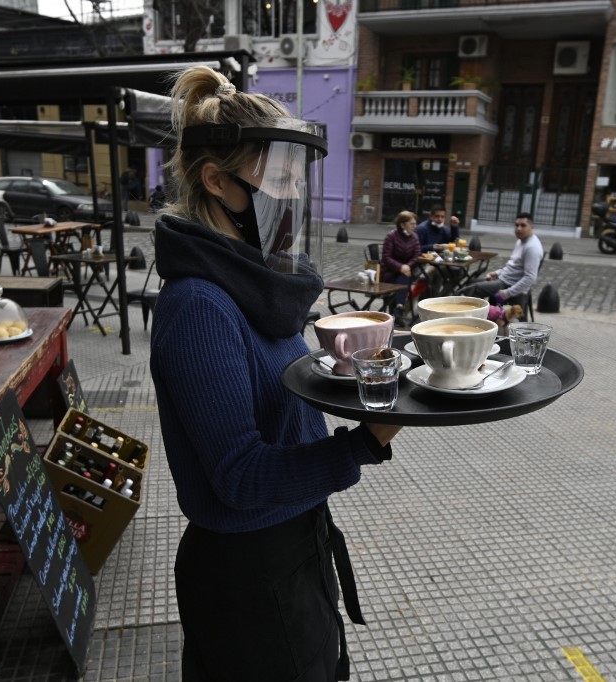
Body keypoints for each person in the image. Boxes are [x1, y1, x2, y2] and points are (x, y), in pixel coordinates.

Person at [148, 65, 401, 681]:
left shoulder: (255, 285)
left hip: (293, 546)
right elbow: (238, 476)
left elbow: (278, 397)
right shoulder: (200, 306)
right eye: (280, 177)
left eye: (297, 177)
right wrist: (364, 446)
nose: (294, 194)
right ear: (217, 181)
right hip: (249, 574)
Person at [461, 212, 544, 305]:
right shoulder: (521, 241)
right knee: (471, 282)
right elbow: (513, 266)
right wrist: (497, 273)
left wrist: (507, 293)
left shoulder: (532, 248)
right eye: (516, 225)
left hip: (508, 284)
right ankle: (487, 312)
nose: (518, 228)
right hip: (503, 279)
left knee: (473, 289)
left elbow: (530, 278)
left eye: (523, 225)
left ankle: (478, 316)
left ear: (532, 227)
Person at [381, 211, 422, 326]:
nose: (414, 226)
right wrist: (400, 267)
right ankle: (398, 309)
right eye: (412, 224)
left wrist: (408, 266)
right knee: (403, 278)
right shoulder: (391, 236)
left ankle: (397, 309)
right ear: (402, 224)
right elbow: (386, 257)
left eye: (415, 224)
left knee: (404, 277)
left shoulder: (414, 237)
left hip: (406, 271)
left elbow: (417, 256)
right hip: (389, 271)